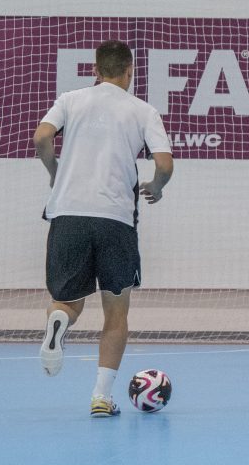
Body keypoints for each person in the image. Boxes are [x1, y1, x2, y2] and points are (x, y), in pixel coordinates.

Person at [33, 40, 173, 417]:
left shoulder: (71, 99)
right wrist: (156, 188)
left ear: (95, 70)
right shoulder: (143, 110)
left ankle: (60, 320)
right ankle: (100, 396)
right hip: (115, 219)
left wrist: (54, 173)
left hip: (67, 215)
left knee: (68, 301)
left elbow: (42, 137)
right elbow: (164, 163)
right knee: (116, 313)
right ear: (130, 71)